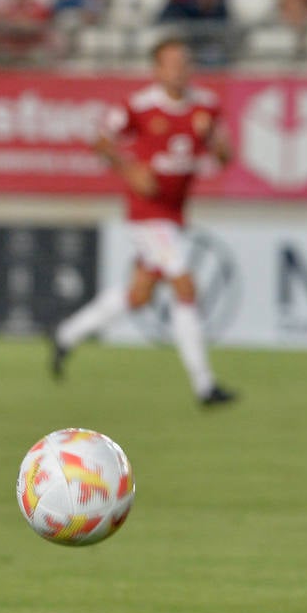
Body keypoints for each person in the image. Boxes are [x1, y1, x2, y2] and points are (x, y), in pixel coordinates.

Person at [50, 38, 237, 407]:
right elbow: (102, 141)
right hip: (147, 214)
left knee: (139, 295)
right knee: (185, 286)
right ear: (156, 70)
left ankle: (66, 334)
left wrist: (213, 141)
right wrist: (129, 168)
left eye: (184, 62)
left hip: (174, 213)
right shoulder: (139, 106)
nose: (179, 70)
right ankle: (204, 386)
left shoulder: (206, 107)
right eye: (171, 64)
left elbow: (225, 155)